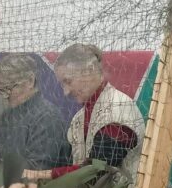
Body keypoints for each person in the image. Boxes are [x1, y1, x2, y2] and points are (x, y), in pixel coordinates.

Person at [24, 43, 145, 180]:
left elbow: (96, 170)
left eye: (68, 81)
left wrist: (38, 175)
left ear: (89, 70)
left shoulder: (119, 108)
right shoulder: (79, 118)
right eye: (62, 84)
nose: (66, 92)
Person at [0, 53, 70, 170]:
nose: (5, 96)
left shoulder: (47, 117)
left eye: (9, 88)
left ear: (30, 81)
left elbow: (39, 169)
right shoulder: (7, 115)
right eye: (1, 90)